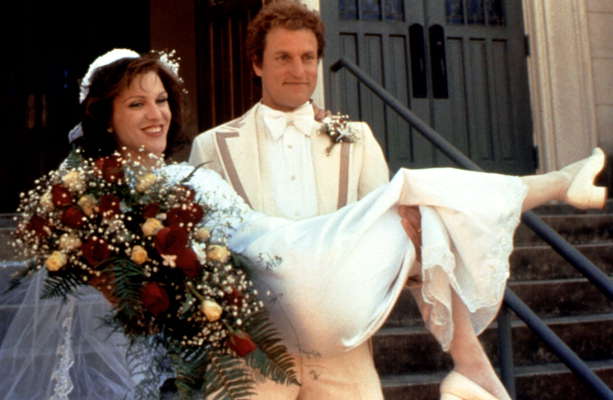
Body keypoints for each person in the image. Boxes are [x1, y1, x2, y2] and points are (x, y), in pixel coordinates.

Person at [0, 49, 607, 400]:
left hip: (290, 259)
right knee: (413, 200)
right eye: (137, 103)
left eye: (160, 99)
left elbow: (248, 232)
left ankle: (471, 366)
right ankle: (556, 188)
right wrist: (186, 293)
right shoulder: (96, 196)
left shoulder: (186, 174)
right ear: (104, 115)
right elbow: (117, 294)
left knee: (416, 205)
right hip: (267, 299)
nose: (156, 114)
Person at [188, 2, 392, 398]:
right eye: (283, 57)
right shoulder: (211, 146)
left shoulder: (358, 140)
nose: (298, 70)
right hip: (249, 350)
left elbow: (381, 234)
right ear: (257, 64)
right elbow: (202, 245)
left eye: (307, 57)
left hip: (341, 349)